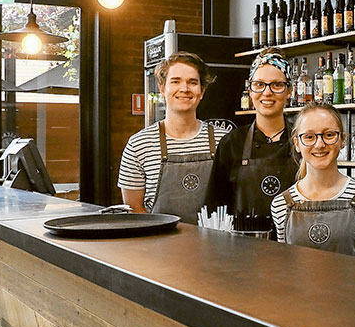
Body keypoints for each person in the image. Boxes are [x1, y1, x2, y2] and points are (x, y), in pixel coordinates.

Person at [117, 52, 229, 224]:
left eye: (193, 82)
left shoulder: (224, 140)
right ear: (162, 89)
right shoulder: (139, 145)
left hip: (215, 245)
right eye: (175, 81)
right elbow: (135, 210)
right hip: (159, 245)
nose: (184, 89)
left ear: (202, 91)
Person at [205, 49, 298, 230]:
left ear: (289, 91)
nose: (267, 92)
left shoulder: (303, 140)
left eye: (277, 85)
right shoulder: (231, 143)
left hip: (294, 247)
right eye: (259, 84)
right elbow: (214, 208)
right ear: (250, 90)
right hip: (242, 249)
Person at [271, 103, 355, 255]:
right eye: (309, 137)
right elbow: (286, 266)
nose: (319, 144)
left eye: (329, 135)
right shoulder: (281, 204)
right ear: (297, 144)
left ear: (343, 140)